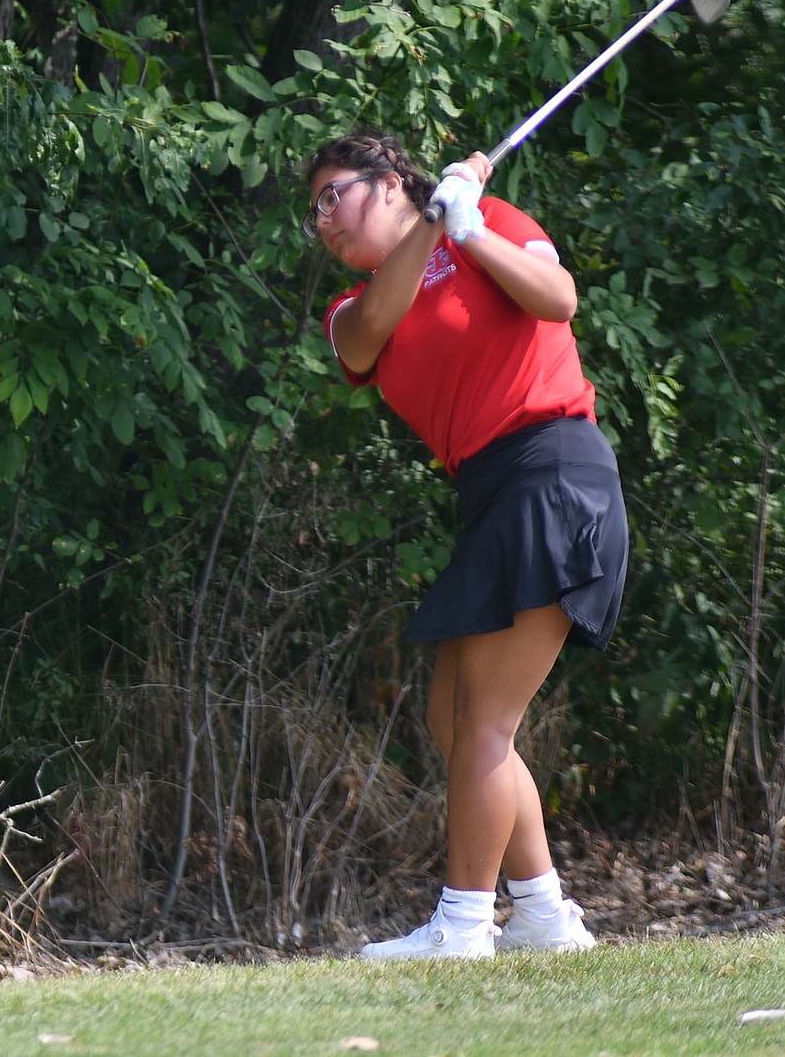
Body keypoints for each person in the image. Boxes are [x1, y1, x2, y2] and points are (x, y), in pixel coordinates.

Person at [303, 132, 628, 960]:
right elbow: (371, 332)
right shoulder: (352, 306)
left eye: (334, 193)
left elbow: (559, 300)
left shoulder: (491, 223)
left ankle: (462, 926)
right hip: (489, 492)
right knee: (455, 723)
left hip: (552, 464)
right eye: (313, 208)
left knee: (483, 722)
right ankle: (547, 918)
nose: (321, 218)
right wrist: (435, 226)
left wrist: (472, 228)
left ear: (389, 184)